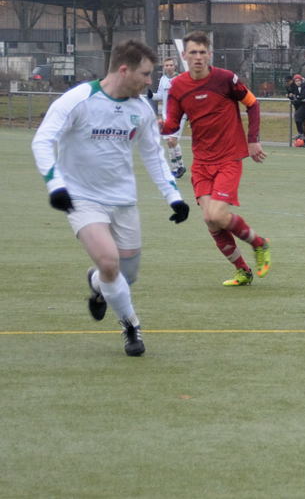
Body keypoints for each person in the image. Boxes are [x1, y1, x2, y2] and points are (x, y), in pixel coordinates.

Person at [32, 39, 191, 356]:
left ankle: (98, 285)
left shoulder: (140, 109)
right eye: (145, 75)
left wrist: (174, 197)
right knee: (109, 261)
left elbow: (154, 157)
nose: (149, 82)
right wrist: (56, 186)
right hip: (82, 199)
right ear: (124, 70)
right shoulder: (79, 100)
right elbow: (42, 141)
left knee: (125, 274)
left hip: (123, 201)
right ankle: (131, 324)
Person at [162, 30, 271, 286]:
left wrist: (253, 139)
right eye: (193, 53)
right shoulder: (177, 86)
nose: (198, 57)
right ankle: (242, 270)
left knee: (217, 215)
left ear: (209, 54)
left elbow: (252, 104)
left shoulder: (226, 79)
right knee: (211, 220)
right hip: (201, 163)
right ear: (184, 56)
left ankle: (259, 243)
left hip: (229, 158)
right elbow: (171, 124)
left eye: (202, 52)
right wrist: (148, 125)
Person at [152, 56, 187, 178]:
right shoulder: (163, 79)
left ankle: (179, 166)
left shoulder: (181, 79)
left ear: (175, 66)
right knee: (169, 142)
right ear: (163, 67)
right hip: (167, 115)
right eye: (166, 65)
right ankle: (177, 167)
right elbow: (161, 96)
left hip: (179, 115)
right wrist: (151, 95)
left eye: (171, 65)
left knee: (173, 140)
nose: (168, 67)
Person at [290, 73, 305, 146]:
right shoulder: (296, 88)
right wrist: (292, 99)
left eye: (298, 80)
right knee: (298, 119)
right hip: (302, 105)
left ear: (301, 80)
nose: (297, 82)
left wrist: (296, 99)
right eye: (296, 81)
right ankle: (302, 135)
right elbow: (296, 97)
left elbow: (302, 96)